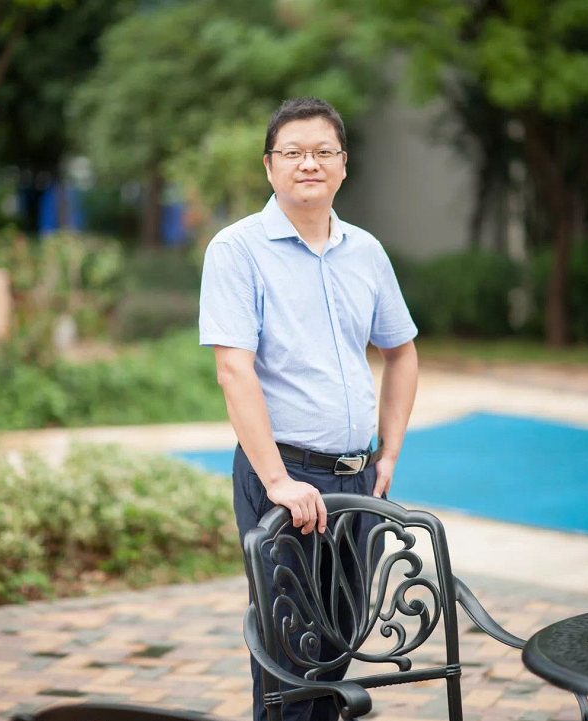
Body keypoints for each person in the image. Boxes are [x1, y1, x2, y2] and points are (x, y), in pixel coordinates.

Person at [199, 96, 418, 721]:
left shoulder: (365, 251)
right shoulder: (237, 249)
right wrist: (277, 481)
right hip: (286, 478)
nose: (309, 164)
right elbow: (233, 369)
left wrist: (388, 451)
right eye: (292, 152)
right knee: (289, 663)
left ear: (343, 164)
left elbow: (401, 351)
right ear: (269, 166)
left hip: (357, 481)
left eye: (323, 151)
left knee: (338, 649)